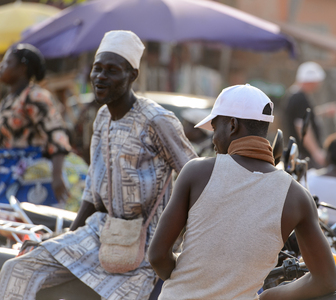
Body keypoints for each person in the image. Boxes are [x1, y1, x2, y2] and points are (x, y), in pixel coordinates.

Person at [0, 30, 197, 300]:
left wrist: (177, 241)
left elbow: (194, 175)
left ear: (132, 76)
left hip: (146, 241)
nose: (101, 77)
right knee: (18, 268)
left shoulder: (156, 120)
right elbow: (92, 192)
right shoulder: (103, 117)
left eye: (112, 70)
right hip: (98, 231)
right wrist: (62, 241)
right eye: (97, 69)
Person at [149, 84, 336, 300]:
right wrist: (267, 297)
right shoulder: (297, 196)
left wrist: (187, 279)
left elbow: (157, 256)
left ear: (232, 125)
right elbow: (326, 281)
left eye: (214, 127)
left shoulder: (197, 171)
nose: (213, 139)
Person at [0, 43, 71, 205]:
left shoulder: (36, 96)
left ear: (22, 68)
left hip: (31, 174)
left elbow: (56, 134)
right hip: (8, 170)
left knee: (25, 223)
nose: (2, 67)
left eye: (8, 63)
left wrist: (57, 176)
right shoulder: (9, 99)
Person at [283, 61, 336, 169]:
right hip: (303, 155)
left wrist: (324, 111)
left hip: (297, 153)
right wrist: (316, 152)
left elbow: (304, 115)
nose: (318, 85)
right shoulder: (300, 98)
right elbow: (302, 126)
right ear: (310, 81)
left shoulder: (294, 95)